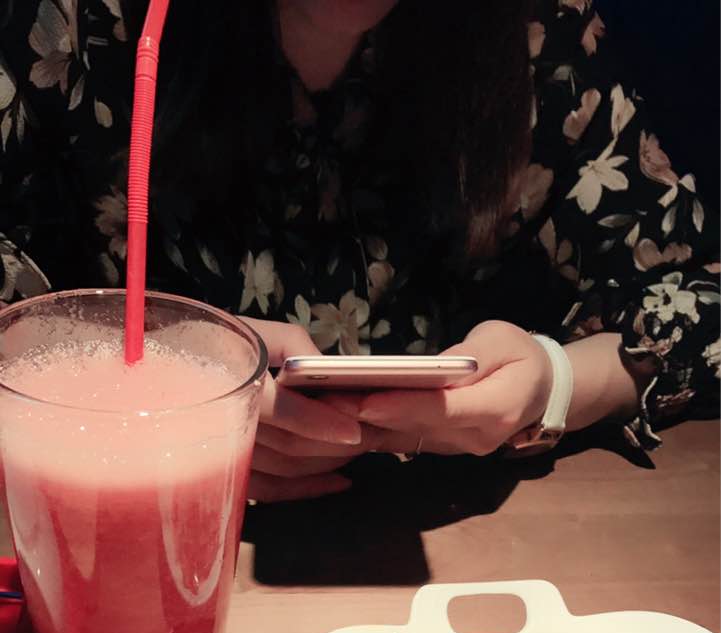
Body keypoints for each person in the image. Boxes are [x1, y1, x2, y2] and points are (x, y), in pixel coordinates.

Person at [0, 0, 718, 503]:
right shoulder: (78, 23)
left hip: (467, 540)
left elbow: (702, 289)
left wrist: (553, 386)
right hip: (129, 529)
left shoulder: (537, 27)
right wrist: (153, 405)